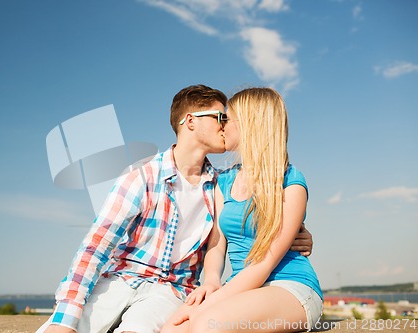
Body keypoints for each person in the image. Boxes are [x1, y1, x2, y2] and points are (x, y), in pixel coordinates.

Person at [37, 85, 314, 333]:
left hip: (173, 290)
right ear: (190, 121)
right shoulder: (146, 177)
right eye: (220, 117)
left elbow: (259, 223)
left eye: (227, 119)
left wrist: (296, 233)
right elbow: (96, 248)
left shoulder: (219, 182)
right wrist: (65, 318)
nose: (223, 125)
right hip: (123, 279)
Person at [161, 88, 323, 333]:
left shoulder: (290, 182)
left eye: (226, 118)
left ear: (249, 124)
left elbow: (263, 265)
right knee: (172, 330)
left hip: (291, 287)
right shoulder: (223, 181)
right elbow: (217, 241)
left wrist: (202, 308)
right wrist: (213, 280)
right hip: (243, 289)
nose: (221, 126)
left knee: (206, 324)